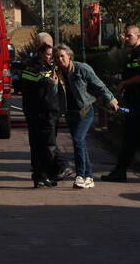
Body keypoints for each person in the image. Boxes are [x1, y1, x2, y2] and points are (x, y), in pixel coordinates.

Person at [102, 25, 140, 183]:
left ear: (138, 36)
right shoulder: (133, 53)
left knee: (133, 138)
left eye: (129, 36)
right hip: (135, 101)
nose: (126, 38)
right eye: (125, 36)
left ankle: (121, 172)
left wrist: (124, 83)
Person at [54, 44, 118, 189]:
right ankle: (89, 176)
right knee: (80, 143)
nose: (60, 59)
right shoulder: (56, 73)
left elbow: (98, 84)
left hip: (86, 110)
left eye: (62, 56)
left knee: (78, 140)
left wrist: (110, 99)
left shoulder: (81, 68)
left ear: (69, 56)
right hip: (70, 113)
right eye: (57, 57)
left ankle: (80, 175)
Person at [20, 43, 66, 187]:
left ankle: (43, 175)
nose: (51, 57)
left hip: (49, 111)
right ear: (40, 53)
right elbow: (37, 82)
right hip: (39, 112)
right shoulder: (33, 68)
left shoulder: (48, 67)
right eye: (48, 54)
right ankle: (52, 170)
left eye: (52, 55)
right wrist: (48, 80)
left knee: (42, 145)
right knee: (44, 144)